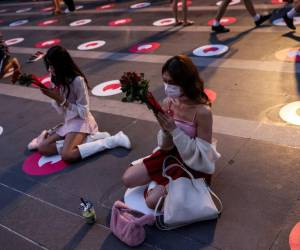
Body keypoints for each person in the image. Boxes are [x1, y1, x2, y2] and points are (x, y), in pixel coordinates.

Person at [122, 55, 220, 209]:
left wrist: (174, 130)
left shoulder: (202, 111)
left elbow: (203, 155)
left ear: (186, 81)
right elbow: (165, 146)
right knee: (128, 179)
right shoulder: (169, 102)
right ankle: (162, 182)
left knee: (152, 202)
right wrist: (165, 130)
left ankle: (164, 183)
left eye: (172, 82)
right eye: (165, 81)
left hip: (192, 164)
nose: (167, 87)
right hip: (170, 154)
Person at [33, 45, 131, 162]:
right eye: (48, 65)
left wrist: (61, 100)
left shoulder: (77, 80)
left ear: (61, 64)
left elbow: (83, 112)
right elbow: (61, 111)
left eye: (52, 65)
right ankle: (90, 139)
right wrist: (54, 98)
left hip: (82, 122)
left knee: (67, 155)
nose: (49, 69)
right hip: (69, 122)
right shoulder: (56, 78)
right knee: (43, 148)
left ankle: (111, 141)